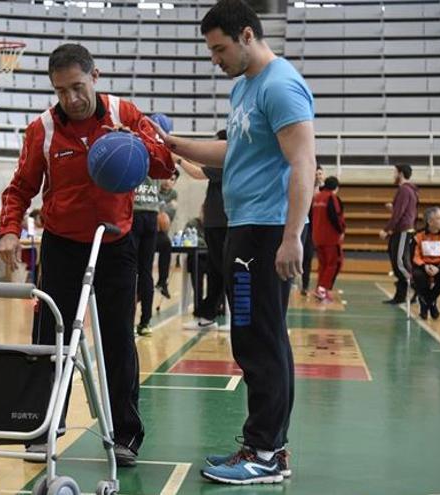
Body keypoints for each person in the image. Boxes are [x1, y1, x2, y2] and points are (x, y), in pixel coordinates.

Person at [155, 0, 316, 484]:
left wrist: (292, 236)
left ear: (248, 35)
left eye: (219, 48)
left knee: (260, 338)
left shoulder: (282, 85)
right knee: (252, 335)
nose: (214, 59)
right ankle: (265, 445)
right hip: (244, 228)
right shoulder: (246, 87)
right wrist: (172, 143)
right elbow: (234, 150)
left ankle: (266, 452)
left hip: (267, 231)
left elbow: (304, 161)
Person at [0, 43, 175, 467]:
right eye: (61, 91)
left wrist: (137, 146)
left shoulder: (125, 115)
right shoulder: (42, 129)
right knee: (49, 339)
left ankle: (125, 436)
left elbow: (166, 164)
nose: (71, 99)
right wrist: (8, 231)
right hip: (61, 244)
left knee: (117, 341)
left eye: (78, 87)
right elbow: (20, 188)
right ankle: (42, 429)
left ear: (95, 77)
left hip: (116, 244)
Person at [179, 129, 229, 330]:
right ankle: (207, 315)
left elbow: (198, 172)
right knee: (216, 270)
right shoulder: (220, 164)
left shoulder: (226, 160)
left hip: (222, 223)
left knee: (225, 269)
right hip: (215, 223)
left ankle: (236, 319)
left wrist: (180, 160)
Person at [131, 113, 174, 335]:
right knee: (145, 271)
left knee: (129, 270)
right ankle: (145, 321)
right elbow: (168, 180)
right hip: (151, 214)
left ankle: (126, 319)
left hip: (134, 212)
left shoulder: (135, 144)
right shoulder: (161, 151)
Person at [380, 164, 419, 304]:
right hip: (401, 230)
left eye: (395, 173)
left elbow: (399, 213)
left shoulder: (404, 190)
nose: (393, 176)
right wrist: (394, 207)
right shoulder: (409, 190)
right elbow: (404, 210)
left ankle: (419, 288)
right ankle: (400, 296)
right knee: (397, 262)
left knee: (400, 263)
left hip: (403, 231)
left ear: (401, 174)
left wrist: (386, 229)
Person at [311, 176, 345, 303]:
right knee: (334, 264)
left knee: (323, 264)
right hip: (331, 238)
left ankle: (319, 288)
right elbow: (334, 216)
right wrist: (341, 230)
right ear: (336, 187)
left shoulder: (317, 198)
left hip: (317, 237)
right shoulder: (332, 198)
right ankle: (323, 289)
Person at [411, 207, 440, 319]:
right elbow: (414, 255)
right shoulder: (418, 236)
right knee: (418, 275)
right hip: (423, 266)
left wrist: (439, 268)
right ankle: (430, 303)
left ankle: (428, 300)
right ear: (430, 222)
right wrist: (424, 266)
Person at [300, 164, 326, 296]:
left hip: (319, 230)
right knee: (303, 256)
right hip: (306, 226)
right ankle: (301, 284)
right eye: (316, 173)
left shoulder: (326, 192)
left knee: (310, 258)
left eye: (320, 173)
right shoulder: (306, 188)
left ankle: (309, 285)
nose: (318, 176)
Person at [154, 170, 180, 298]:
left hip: (160, 233)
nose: (168, 181)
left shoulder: (174, 194)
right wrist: (166, 208)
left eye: (172, 179)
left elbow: (166, 222)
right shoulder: (154, 189)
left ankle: (162, 282)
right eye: (167, 178)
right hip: (149, 229)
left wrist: (161, 211)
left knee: (166, 244)